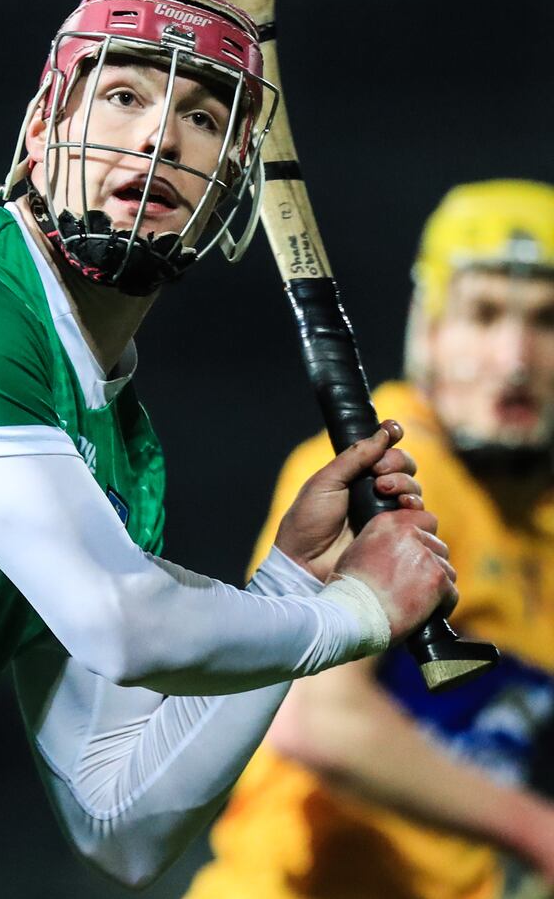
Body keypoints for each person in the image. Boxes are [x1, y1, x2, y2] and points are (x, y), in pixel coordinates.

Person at [0, 0, 456, 899]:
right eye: (124, 94)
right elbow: (118, 619)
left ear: (232, 184)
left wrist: (293, 581)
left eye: (203, 118)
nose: (161, 134)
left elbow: (117, 816)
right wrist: (355, 611)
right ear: (43, 125)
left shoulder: (121, 449)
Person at [186, 179, 554, 899]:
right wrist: (535, 828)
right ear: (432, 330)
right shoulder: (382, 465)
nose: (516, 357)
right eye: (483, 315)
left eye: (546, 321)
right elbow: (316, 718)